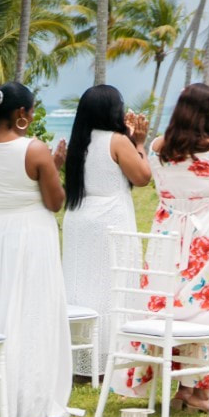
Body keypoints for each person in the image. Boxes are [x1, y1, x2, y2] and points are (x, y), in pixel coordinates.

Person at [107, 83, 209, 413]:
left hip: (168, 238)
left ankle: (183, 389)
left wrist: (141, 143)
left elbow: (151, 172)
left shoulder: (161, 147)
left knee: (168, 310)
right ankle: (196, 391)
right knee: (205, 314)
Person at [0, 83, 73, 417]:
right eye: (33, 110)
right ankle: (27, 396)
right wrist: (54, 166)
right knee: (31, 307)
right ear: (22, 114)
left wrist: (46, 168)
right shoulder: (35, 149)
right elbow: (55, 202)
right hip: (31, 232)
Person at [61, 85, 152, 380]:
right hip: (110, 220)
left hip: (79, 219)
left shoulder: (78, 141)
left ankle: (80, 361)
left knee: (81, 286)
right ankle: (110, 359)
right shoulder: (117, 141)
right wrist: (139, 142)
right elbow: (142, 177)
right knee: (113, 286)